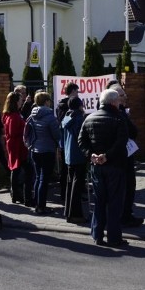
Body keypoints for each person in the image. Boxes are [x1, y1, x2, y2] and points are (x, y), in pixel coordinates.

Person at [78, 88, 129, 247]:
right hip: (115, 166)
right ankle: (114, 238)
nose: (120, 103)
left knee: (99, 201)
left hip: (96, 167)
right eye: (119, 101)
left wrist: (91, 155)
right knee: (114, 202)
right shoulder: (119, 118)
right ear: (114, 102)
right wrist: (106, 156)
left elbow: (81, 141)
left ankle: (97, 235)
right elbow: (121, 142)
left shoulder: (89, 117)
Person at [112, 84, 143, 228]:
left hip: (114, 157)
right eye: (123, 95)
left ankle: (119, 215)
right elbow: (133, 131)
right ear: (116, 98)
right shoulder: (120, 114)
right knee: (127, 186)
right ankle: (125, 216)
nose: (126, 97)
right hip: (123, 157)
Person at [26, 91, 61, 215]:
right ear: (46, 101)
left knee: (38, 177)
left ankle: (37, 202)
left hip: (35, 149)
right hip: (47, 150)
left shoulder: (32, 115)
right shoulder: (50, 116)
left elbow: (27, 131)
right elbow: (56, 134)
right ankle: (41, 207)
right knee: (44, 179)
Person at [60, 95, 87, 223]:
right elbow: (81, 137)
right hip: (78, 154)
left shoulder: (67, 117)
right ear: (79, 105)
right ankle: (75, 213)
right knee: (77, 184)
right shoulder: (79, 118)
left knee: (70, 184)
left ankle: (68, 212)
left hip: (68, 155)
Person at [3, 92, 32, 204]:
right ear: (15, 102)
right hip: (17, 146)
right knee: (23, 171)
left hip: (16, 146)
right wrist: (25, 128)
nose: (22, 102)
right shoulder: (13, 116)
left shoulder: (11, 114)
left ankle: (16, 195)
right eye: (20, 100)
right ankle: (20, 195)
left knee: (16, 171)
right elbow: (13, 132)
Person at [56, 83, 80, 203]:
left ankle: (66, 195)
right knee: (69, 172)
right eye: (76, 91)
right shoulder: (69, 110)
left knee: (67, 171)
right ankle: (67, 195)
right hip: (71, 145)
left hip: (64, 142)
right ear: (72, 92)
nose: (78, 93)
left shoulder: (63, 109)